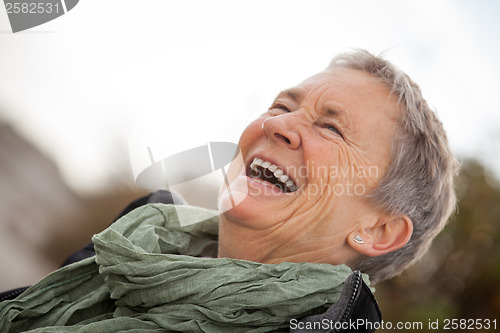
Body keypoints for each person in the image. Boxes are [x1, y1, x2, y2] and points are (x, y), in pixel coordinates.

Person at [0, 50, 457, 332]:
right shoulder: (134, 237)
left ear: (377, 231)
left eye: (331, 128)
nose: (276, 124)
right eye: (281, 105)